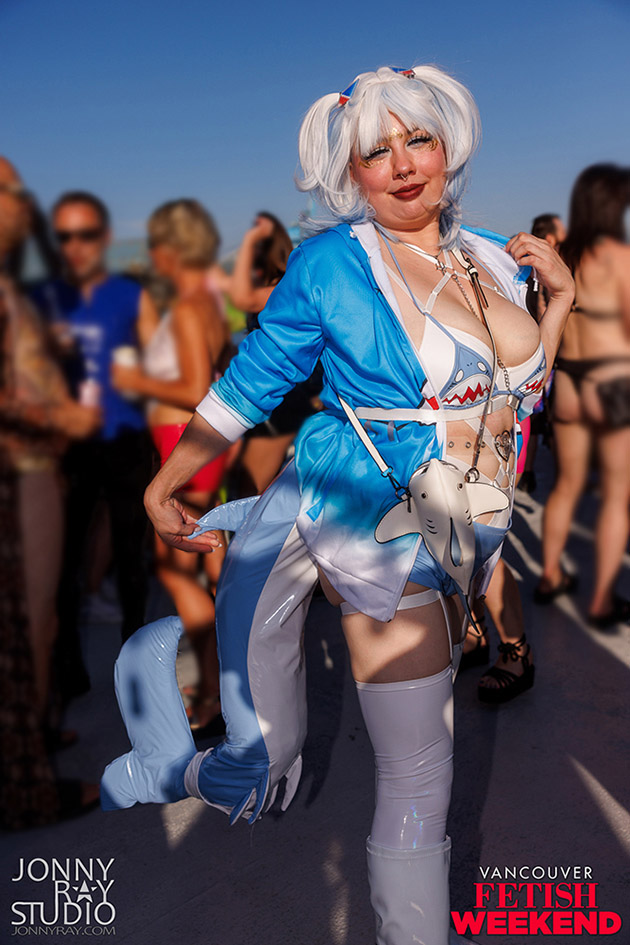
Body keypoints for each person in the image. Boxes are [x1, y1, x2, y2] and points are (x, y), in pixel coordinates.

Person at [101, 66, 573, 944]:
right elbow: (252, 380)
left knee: (325, 755)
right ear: (350, 173)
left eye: (418, 140)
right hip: (375, 515)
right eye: (376, 151)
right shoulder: (332, 264)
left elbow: (517, 397)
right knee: (416, 769)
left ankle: (189, 766)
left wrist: (562, 304)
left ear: (448, 146)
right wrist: (168, 480)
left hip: (468, 524)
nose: (403, 164)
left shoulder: (492, 256)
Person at [0, 157, 101, 824]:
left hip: (35, 466)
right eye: (12, 192)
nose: (24, 205)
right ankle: (23, 785)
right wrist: (58, 417)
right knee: (24, 626)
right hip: (17, 469)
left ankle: (28, 741)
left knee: (40, 622)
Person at [30, 191, 159, 702]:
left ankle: (135, 672)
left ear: (103, 238)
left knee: (131, 562)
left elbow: (162, 366)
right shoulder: (42, 299)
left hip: (126, 442)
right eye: (64, 237)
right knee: (62, 565)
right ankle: (66, 669)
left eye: (85, 235)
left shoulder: (130, 294)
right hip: (68, 449)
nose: (75, 246)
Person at [111, 199, 232, 733]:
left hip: (182, 444)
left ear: (171, 248)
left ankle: (214, 694)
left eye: (156, 244)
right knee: (210, 568)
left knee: (178, 572)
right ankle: (222, 685)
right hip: (197, 444)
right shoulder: (204, 302)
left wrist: (134, 381)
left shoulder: (186, 308)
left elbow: (195, 385)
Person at [535, 164, 630, 628]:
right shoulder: (620, 257)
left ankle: (549, 575)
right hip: (613, 384)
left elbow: (546, 322)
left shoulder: (560, 258)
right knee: (616, 495)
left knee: (566, 485)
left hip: (569, 382)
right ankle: (600, 602)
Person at [225, 212, 323, 495]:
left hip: (285, 400)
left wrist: (249, 239)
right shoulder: (280, 285)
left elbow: (241, 297)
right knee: (253, 489)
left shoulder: (283, 287)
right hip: (278, 395)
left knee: (251, 493)